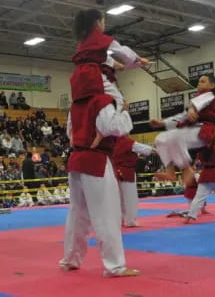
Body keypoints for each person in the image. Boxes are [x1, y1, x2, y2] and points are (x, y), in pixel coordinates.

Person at [60, 63, 139, 278]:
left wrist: (85, 139)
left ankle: (71, 259)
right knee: (108, 214)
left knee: (78, 214)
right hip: (95, 160)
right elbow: (112, 127)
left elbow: (70, 132)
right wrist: (123, 112)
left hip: (77, 158)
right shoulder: (101, 100)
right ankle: (115, 266)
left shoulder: (76, 104)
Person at [72, 9, 149, 110]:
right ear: (98, 23)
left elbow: (114, 63)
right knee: (121, 103)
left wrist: (131, 63)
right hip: (93, 75)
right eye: (104, 22)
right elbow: (121, 51)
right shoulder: (100, 38)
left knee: (80, 105)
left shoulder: (83, 43)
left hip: (78, 78)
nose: (104, 25)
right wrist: (137, 59)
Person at [151, 74, 215, 186]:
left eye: (203, 81)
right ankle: (170, 172)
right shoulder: (197, 98)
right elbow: (182, 116)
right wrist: (162, 123)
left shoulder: (211, 95)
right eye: (199, 81)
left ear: (212, 85)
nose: (199, 83)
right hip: (191, 130)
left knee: (175, 136)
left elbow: (195, 104)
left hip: (204, 132)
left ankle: (186, 168)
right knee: (160, 139)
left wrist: (192, 108)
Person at [112, 136, 153, 227]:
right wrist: (155, 150)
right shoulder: (126, 141)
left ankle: (121, 219)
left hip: (115, 171)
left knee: (119, 197)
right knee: (130, 197)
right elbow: (144, 149)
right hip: (127, 171)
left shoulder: (112, 141)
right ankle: (130, 220)